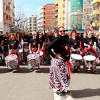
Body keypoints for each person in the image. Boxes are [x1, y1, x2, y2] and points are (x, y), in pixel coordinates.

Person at [46, 26, 72, 96]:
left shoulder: (66, 38)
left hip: (64, 60)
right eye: (61, 31)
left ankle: (63, 88)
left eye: (64, 31)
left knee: (65, 76)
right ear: (58, 32)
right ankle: (59, 90)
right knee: (59, 76)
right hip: (58, 61)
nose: (63, 32)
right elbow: (48, 48)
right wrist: (54, 55)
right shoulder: (57, 39)